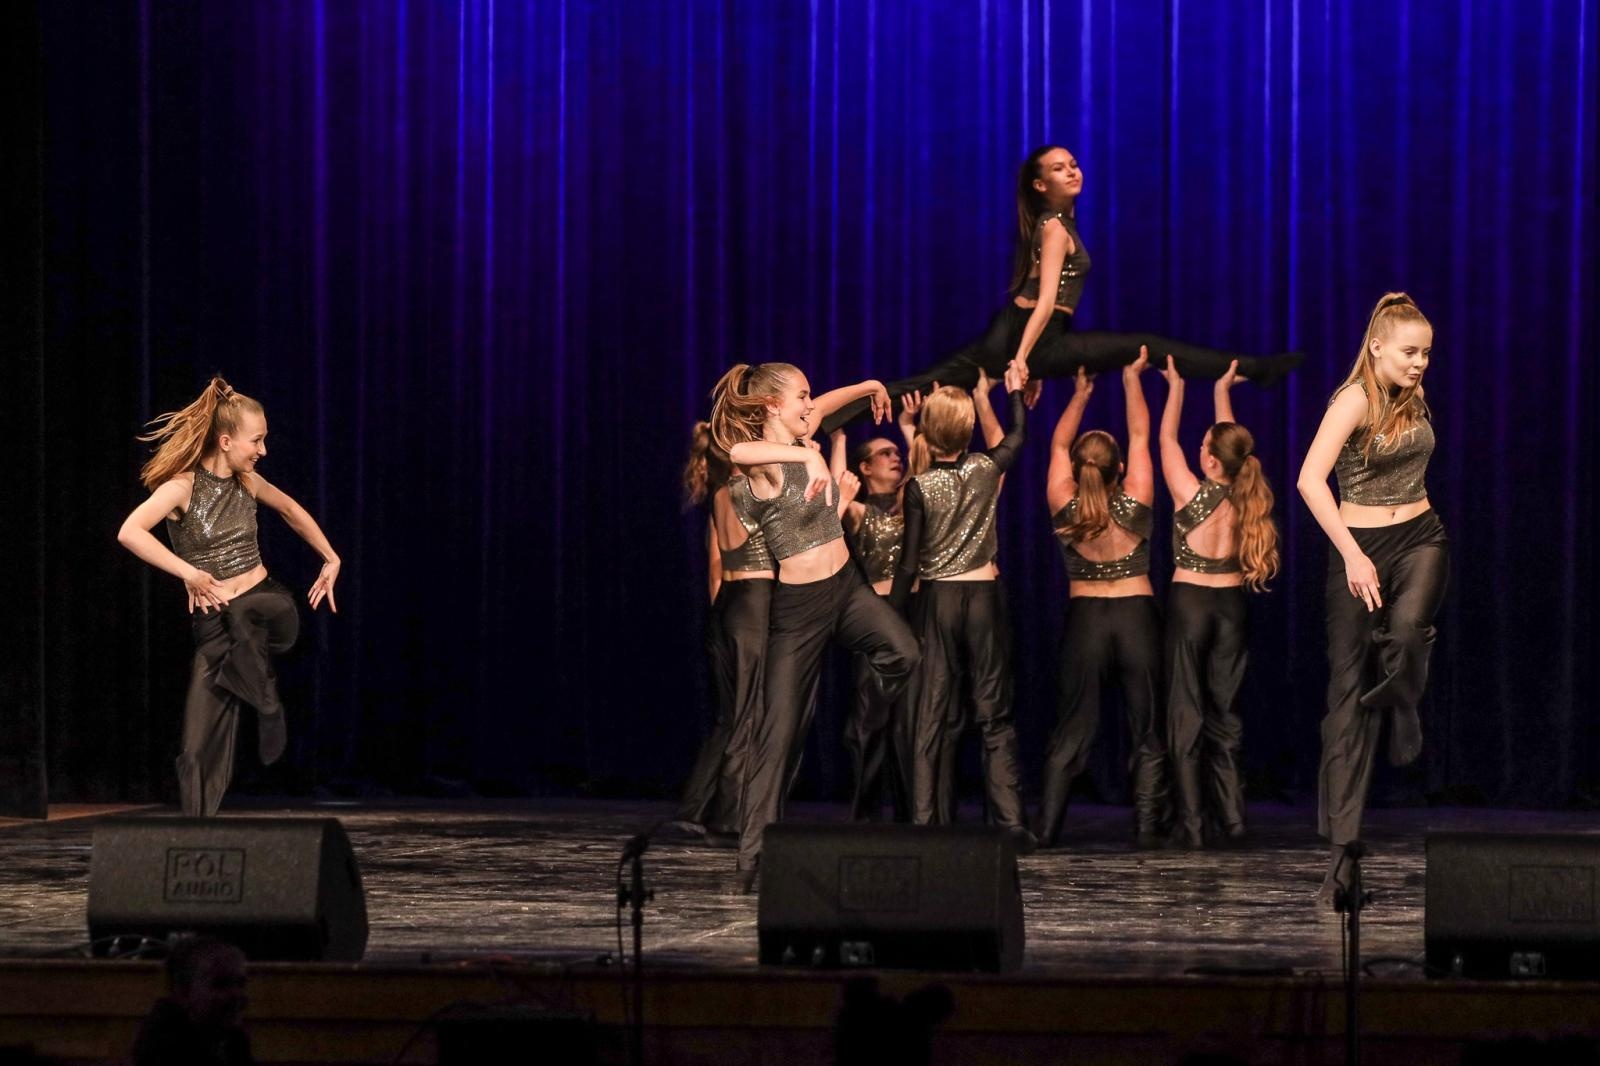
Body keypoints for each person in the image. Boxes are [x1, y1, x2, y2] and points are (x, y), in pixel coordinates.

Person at [821, 145, 1302, 433]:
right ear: (1038, 184)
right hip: (1027, 332)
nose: (1071, 170)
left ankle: (826, 421)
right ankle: (1255, 369)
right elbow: (1047, 298)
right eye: (1058, 167)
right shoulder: (1054, 227)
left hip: (1028, 333)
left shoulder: (1057, 224)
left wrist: (1027, 360)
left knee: (922, 385)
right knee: (1148, 347)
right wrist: (1023, 361)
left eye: (1073, 164)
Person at [711, 364, 919, 890]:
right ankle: (751, 860)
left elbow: (831, 401)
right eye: (802, 397)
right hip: (799, 609)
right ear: (771, 409)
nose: (812, 405)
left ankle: (862, 724)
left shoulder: (802, 428)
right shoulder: (766, 463)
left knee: (904, 652)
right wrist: (805, 454)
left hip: (847, 588)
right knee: (779, 736)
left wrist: (874, 385)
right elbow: (737, 453)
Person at [117, 377, 340, 816]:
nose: (262, 450)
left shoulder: (249, 482)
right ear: (225, 440)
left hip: (268, 606)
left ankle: (263, 692)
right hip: (215, 623)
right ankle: (197, 828)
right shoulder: (181, 487)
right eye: (256, 440)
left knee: (251, 610)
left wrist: (331, 557)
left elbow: (293, 511)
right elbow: (129, 532)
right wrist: (189, 573)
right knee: (197, 744)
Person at [1296, 293, 1447, 905]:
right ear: (1377, 346)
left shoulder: (1412, 396)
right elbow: (1310, 479)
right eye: (1410, 353)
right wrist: (1353, 555)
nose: (1419, 364)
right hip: (1358, 544)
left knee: (1409, 631)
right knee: (1348, 700)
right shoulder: (1353, 398)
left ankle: (1405, 696)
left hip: (1422, 536)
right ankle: (1342, 855)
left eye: (1427, 354)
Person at [888, 365, 1032, 844]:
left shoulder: (919, 487)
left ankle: (926, 824)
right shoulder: (985, 469)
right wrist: (1012, 391)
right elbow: (1016, 435)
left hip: (938, 600)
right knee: (993, 712)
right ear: (967, 429)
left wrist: (889, 616)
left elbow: (907, 565)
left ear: (928, 431)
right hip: (982, 598)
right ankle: (1010, 824)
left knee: (931, 713)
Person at [1034, 354, 1168, 847]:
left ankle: (1045, 832)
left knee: (1072, 730)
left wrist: (1081, 393)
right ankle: (1148, 834)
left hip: (1086, 620)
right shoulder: (1137, 492)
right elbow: (1140, 434)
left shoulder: (1062, 500)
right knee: (1148, 730)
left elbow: (1058, 442)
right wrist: (1132, 379)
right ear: (1120, 470)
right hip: (1136, 618)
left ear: (1076, 469)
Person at [1156, 357, 1280, 848]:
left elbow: (1164, 440)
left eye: (1205, 445)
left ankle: (1192, 824)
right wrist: (1223, 389)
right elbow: (1227, 441)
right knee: (1225, 715)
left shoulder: (1189, 491)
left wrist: (1176, 388)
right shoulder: (1248, 499)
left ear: (1209, 461)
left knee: (1186, 714)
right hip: (1230, 607)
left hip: (1189, 605)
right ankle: (1233, 819)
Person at [130, 935, 253, 1066]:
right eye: (220, 984)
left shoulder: (232, 1041)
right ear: (183, 990)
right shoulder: (165, 1047)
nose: (236, 995)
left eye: (241, 984)